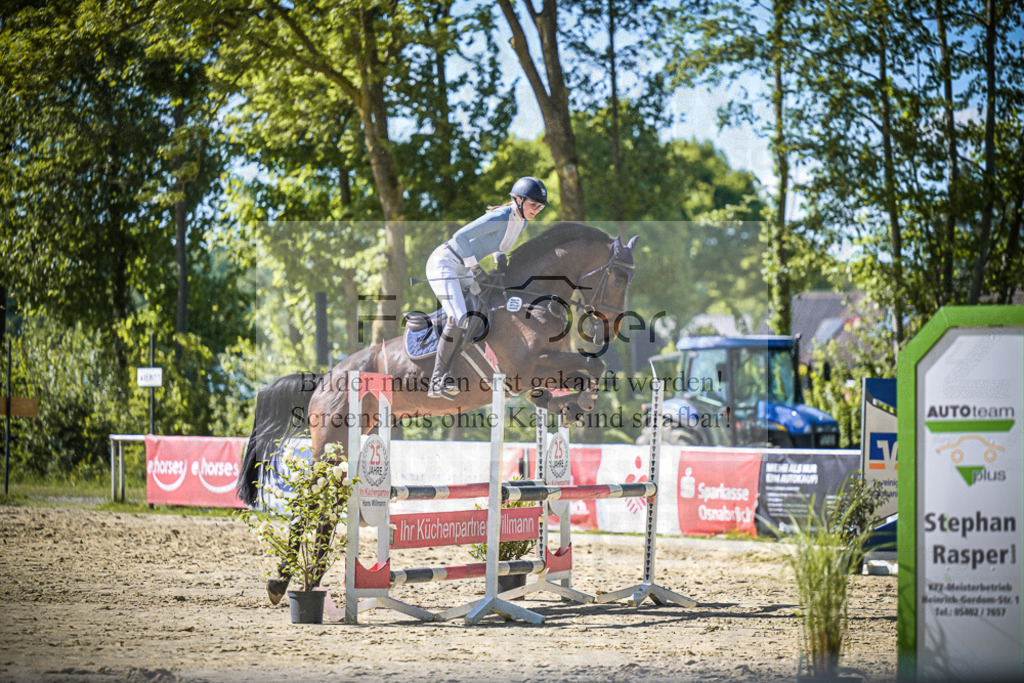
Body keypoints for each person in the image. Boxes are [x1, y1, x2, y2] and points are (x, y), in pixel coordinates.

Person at [424, 176, 548, 399]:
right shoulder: (500, 216)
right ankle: (437, 378)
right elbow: (460, 236)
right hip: (445, 264)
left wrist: (499, 257)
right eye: (533, 204)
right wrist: (475, 266)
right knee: (460, 317)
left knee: (487, 307)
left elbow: (496, 244)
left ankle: (460, 365)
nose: (537, 209)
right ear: (518, 200)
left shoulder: (522, 221)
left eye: (540, 206)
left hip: (464, 270)